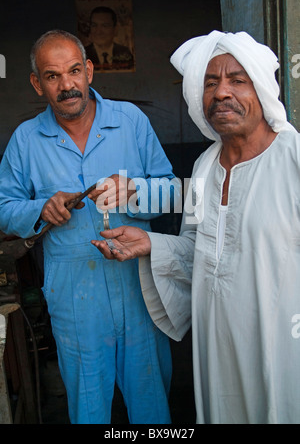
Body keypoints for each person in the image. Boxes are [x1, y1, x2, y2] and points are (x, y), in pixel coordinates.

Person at [92, 30, 300, 424]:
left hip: (283, 347)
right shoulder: (204, 167)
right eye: (210, 82)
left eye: (237, 80)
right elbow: (200, 250)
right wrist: (150, 243)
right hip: (218, 348)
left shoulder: (293, 160)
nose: (222, 93)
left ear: (261, 91)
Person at [0, 29, 177, 424]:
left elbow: (173, 193)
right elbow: (3, 207)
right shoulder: (26, 140)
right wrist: (39, 210)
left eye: (75, 71)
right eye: (52, 76)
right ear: (36, 83)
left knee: (151, 404)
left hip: (139, 291)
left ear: (90, 71)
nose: (67, 85)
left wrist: (135, 190)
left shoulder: (130, 121)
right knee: (88, 407)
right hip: (74, 298)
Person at [85, 6, 134, 71]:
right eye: (94, 25)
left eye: (105, 26)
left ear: (115, 29)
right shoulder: (83, 54)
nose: (98, 32)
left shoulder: (125, 52)